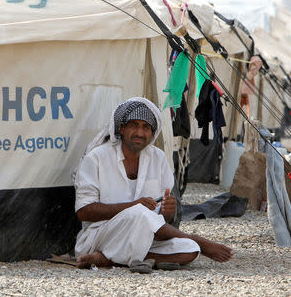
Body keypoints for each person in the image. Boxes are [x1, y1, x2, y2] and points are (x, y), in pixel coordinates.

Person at [74, 97, 234, 269]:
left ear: (152, 133)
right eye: (133, 125)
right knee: (139, 212)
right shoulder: (97, 158)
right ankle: (199, 241)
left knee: (190, 250)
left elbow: (160, 221)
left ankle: (109, 260)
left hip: (145, 238)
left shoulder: (158, 158)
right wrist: (132, 206)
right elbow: (84, 212)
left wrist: (168, 212)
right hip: (101, 235)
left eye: (146, 127)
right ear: (121, 128)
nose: (139, 133)